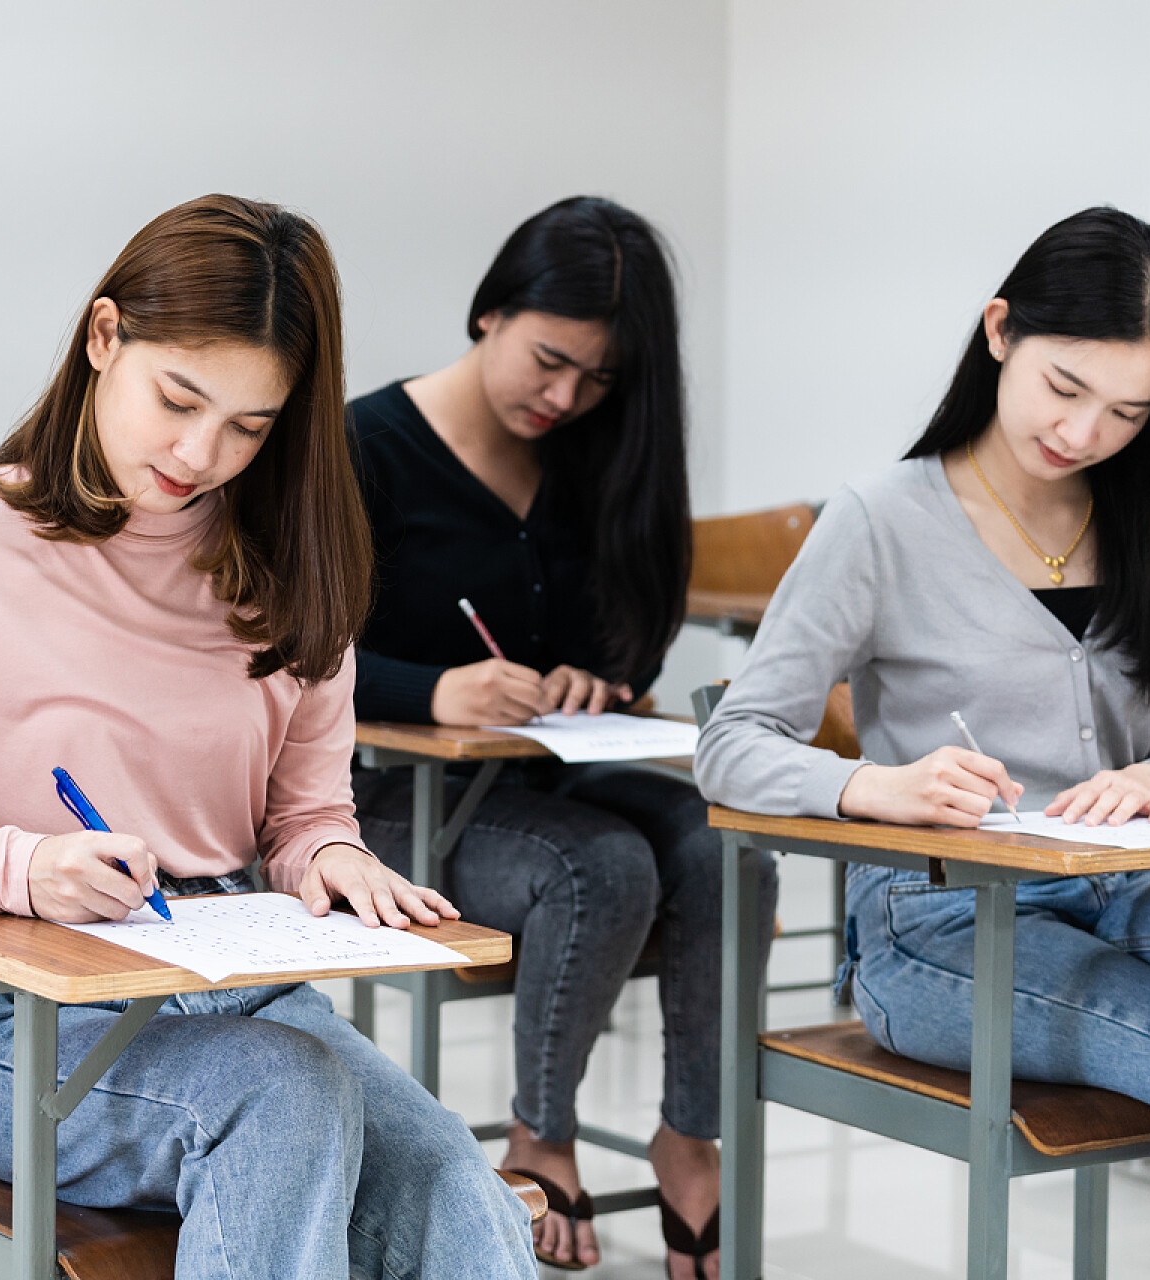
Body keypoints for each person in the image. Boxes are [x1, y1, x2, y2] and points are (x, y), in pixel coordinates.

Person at [0, 194, 538, 1279]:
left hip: (243, 987)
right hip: (24, 1026)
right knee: (285, 1097)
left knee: (457, 1179)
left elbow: (304, 817)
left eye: (250, 426)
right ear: (104, 335)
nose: (200, 451)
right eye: (179, 397)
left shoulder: (296, 566)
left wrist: (338, 858)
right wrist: (23, 864)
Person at [696, 206, 1150, 1280]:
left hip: (1131, 892)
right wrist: (874, 787)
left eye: (1128, 410)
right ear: (999, 331)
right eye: (1064, 387)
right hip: (944, 924)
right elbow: (732, 743)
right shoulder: (878, 520)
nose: (1085, 432)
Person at [347, 195, 774, 1277]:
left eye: (597, 380)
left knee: (731, 849)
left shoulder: (591, 456)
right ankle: (540, 1132)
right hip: (391, 799)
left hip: (546, 779)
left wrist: (600, 670)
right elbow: (290, 654)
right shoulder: (365, 448)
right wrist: (433, 688)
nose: (565, 396)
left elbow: (619, 634)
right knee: (599, 867)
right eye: (549, 361)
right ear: (489, 312)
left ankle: (691, 1131)